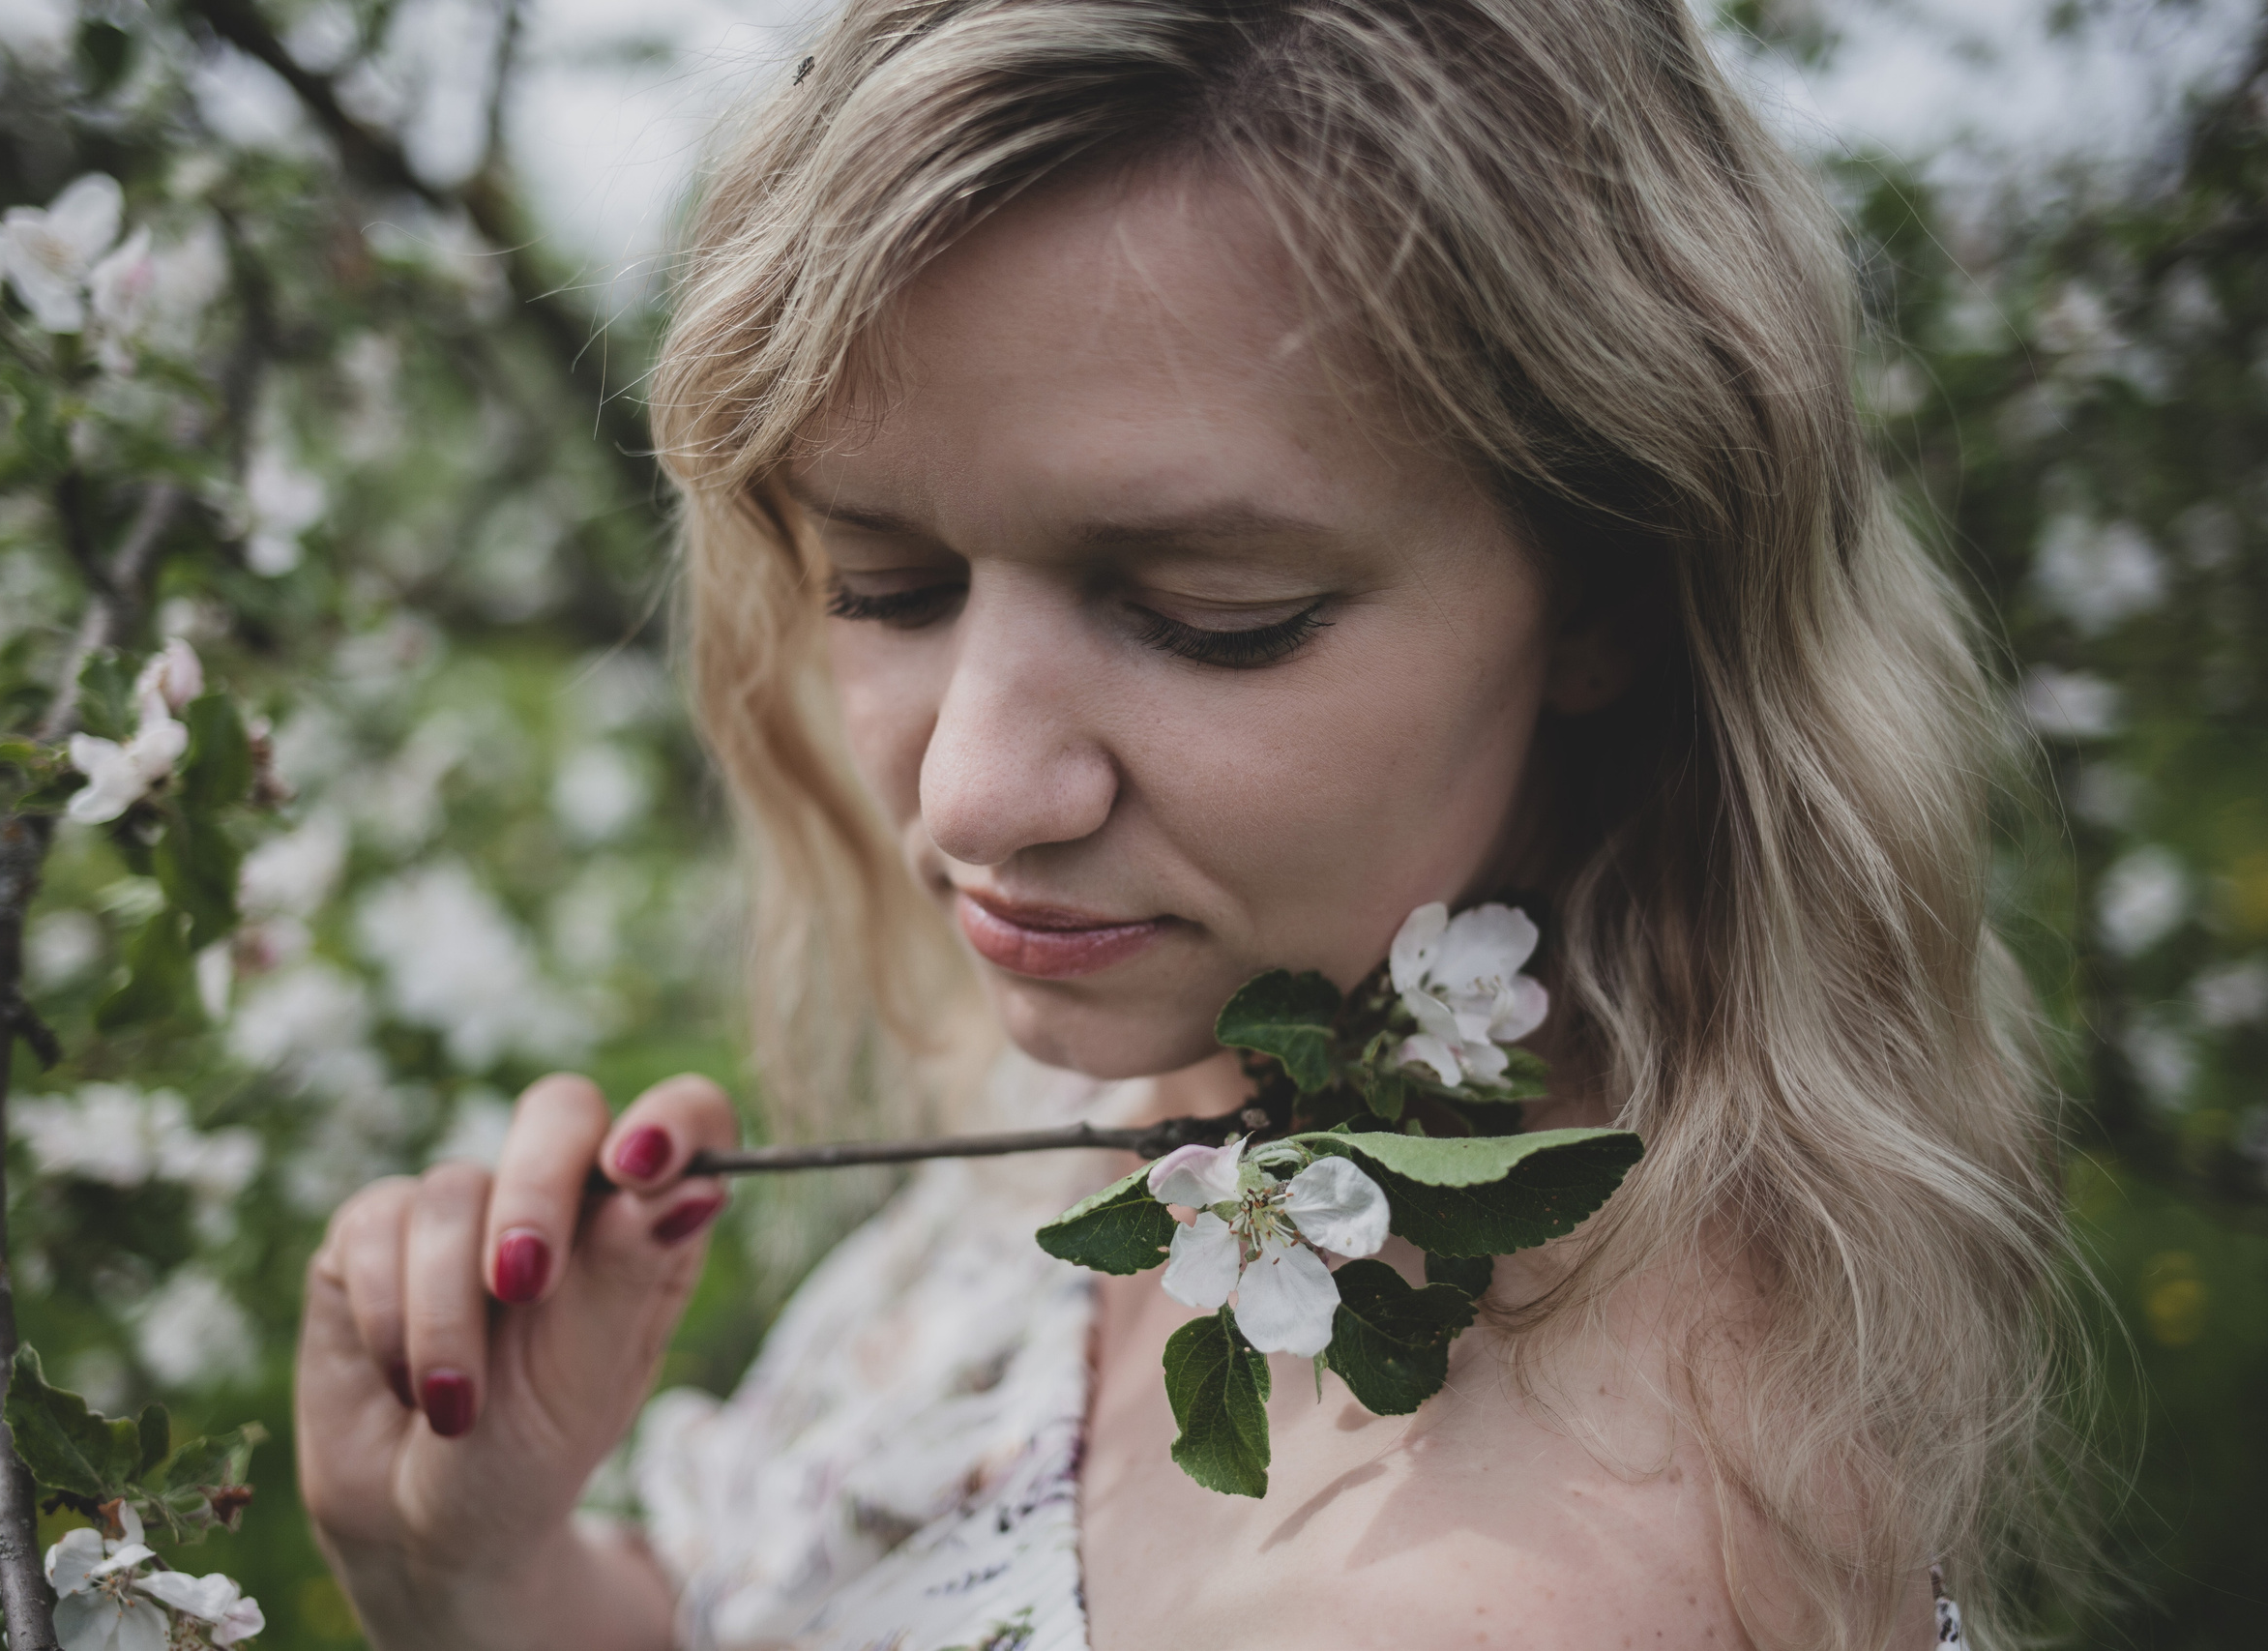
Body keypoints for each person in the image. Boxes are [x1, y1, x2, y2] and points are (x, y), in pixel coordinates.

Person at [295, 2, 2086, 1646]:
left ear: (1612, 591)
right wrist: (484, 1579)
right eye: (887, 584)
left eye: (1213, 614)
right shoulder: (1183, 1076)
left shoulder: (1494, 1595)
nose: (969, 793)